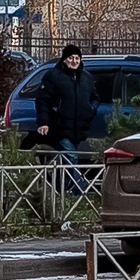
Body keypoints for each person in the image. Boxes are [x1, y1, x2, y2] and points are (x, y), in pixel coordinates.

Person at [32, 42, 95, 182]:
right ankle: (76, 191)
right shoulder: (53, 76)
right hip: (60, 126)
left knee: (69, 159)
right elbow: (42, 100)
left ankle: (64, 190)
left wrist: (91, 109)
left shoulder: (86, 78)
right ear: (65, 59)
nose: (74, 61)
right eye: (71, 58)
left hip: (79, 128)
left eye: (77, 58)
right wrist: (43, 122)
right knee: (71, 157)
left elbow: (95, 98)